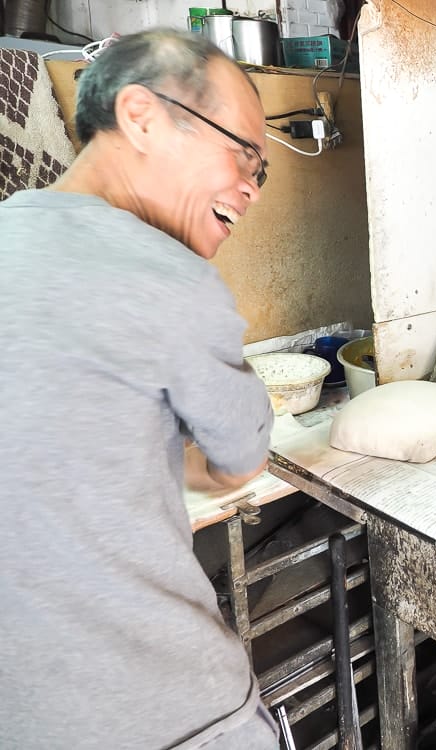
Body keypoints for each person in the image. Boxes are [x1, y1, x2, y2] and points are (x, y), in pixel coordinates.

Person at [0, 30, 278, 749]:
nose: (251, 184)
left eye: (262, 170)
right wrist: (200, 458)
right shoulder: (168, 276)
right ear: (142, 116)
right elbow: (240, 464)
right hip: (168, 716)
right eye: (242, 151)